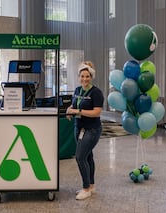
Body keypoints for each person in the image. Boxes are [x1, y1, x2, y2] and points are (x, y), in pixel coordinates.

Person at [66, 61, 104, 200]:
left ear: (91, 76)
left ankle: (86, 188)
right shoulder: (77, 90)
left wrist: (78, 111)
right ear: (79, 76)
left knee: (80, 157)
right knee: (88, 157)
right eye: (82, 76)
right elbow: (74, 104)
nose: (84, 79)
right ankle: (92, 185)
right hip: (78, 127)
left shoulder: (96, 92)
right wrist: (69, 110)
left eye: (87, 76)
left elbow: (96, 113)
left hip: (92, 129)